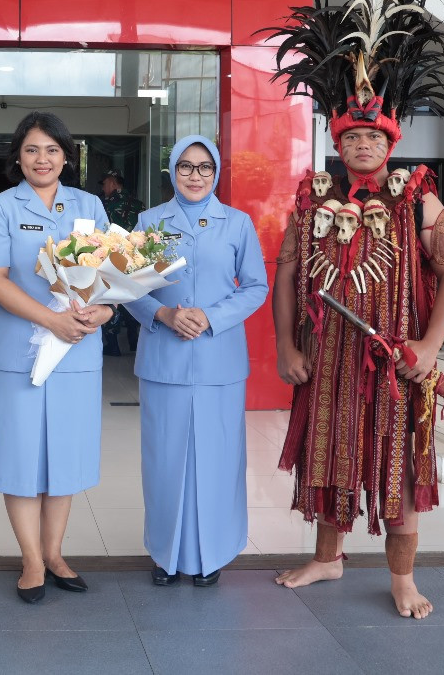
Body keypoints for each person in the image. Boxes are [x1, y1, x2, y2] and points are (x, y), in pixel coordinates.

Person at [267, 0, 444, 619]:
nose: (361, 144)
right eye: (351, 137)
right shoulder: (309, 197)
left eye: (372, 137)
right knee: (327, 461)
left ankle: (403, 578)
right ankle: (328, 557)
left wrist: (430, 344)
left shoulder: (417, 196)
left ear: (390, 141)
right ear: (336, 139)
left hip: (394, 362)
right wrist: (287, 343)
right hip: (326, 361)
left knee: (397, 469)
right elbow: (288, 271)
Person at [0, 112, 114, 603]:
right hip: (20, 347)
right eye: (33, 150)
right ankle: (31, 559)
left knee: (64, 453)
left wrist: (103, 311)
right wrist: (49, 319)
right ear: (18, 155)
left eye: (52, 150)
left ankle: (55, 553)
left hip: (76, 347)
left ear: (66, 156)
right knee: (20, 454)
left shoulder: (90, 205)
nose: (42, 159)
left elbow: (112, 272)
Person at [125, 135, 268, 587]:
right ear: (171, 171)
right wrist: (163, 313)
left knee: (216, 460)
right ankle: (166, 555)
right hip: (164, 358)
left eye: (205, 167)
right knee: (165, 460)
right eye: (185, 166)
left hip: (218, 360)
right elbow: (129, 287)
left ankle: (212, 555)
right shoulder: (150, 221)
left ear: (217, 172)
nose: (195, 175)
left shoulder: (238, 223)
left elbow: (255, 287)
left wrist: (210, 316)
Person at [99, 168, 145, 356]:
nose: (103, 188)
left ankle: (113, 343)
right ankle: (133, 339)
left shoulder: (106, 204)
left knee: (112, 296)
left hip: (112, 258)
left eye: (104, 184)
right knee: (131, 295)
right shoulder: (138, 204)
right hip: (134, 258)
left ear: (112, 182)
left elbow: (101, 231)